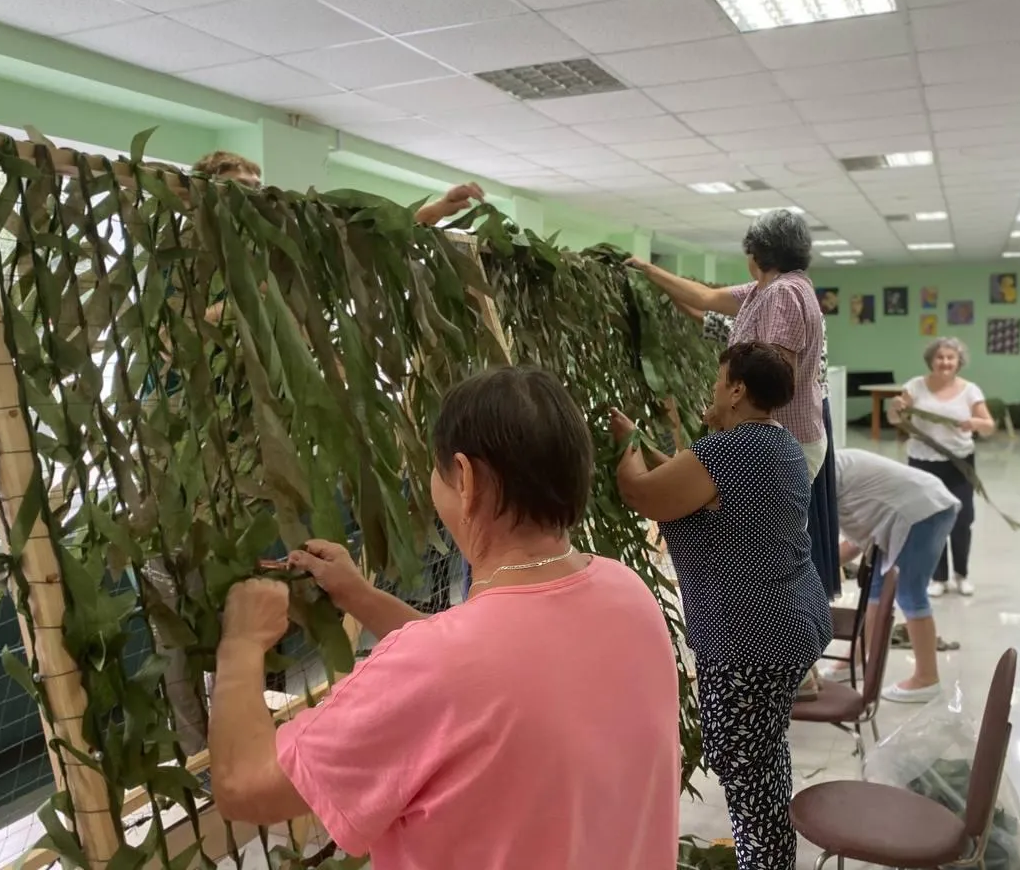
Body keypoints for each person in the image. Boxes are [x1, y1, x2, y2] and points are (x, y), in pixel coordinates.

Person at [209, 367, 680, 868]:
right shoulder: (627, 593)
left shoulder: (440, 668)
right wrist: (360, 595)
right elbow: (489, 673)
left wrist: (240, 643)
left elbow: (245, 785)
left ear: (467, 479)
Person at [144, 154, 487, 757]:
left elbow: (348, 250)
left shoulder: (270, 270)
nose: (252, 201)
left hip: (249, 487)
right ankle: (202, 762)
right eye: (237, 191)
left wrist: (430, 214)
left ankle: (248, 739)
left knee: (251, 615)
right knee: (180, 633)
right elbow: (185, 336)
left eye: (257, 188)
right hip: (180, 492)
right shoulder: (183, 275)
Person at [611, 342, 832, 870]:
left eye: (717, 381)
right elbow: (689, 487)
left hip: (750, 640)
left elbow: (643, 493)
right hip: (791, 624)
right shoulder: (777, 446)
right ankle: (770, 853)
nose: (711, 390)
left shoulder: (731, 451)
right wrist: (646, 442)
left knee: (742, 764)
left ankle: (765, 860)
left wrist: (627, 443)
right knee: (762, 755)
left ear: (736, 389)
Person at [630, 211, 835, 699]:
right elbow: (702, 298)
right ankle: (782, 658)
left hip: (782, 436)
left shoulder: (784, 294)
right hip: (778, 433)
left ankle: (788, 665)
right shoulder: (769, 290)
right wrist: (647, 270)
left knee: (767, 549)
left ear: (755, 254)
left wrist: (732, 409)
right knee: (766, 542)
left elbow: (774, 377)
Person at [833, 449, 961, 703]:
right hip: (911, 509)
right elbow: (855, 541)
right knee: (876, 589)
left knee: (909, 592)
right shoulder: (830, 466)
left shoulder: (821, 478)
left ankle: (927, 678)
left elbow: (849, 545)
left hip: (922, 511)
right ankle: (856, 659)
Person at [888, 337, 995, 597]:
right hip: (922, 462)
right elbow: (895, 420)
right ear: (931, 360)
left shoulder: (971, 390)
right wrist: (895, 407)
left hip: (959, 462)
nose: (945, 362)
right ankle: (938, 577)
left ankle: (961, 574)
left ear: (959, 361)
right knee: (931, 519)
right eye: (940, 357)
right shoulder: (915, 386)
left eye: (950, 357)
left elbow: (989, 425)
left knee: (962, 518)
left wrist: (975, 423)